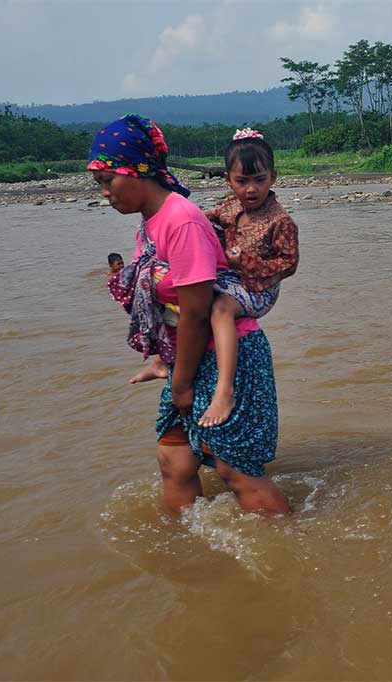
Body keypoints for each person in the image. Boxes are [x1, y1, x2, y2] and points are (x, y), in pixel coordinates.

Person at [92, 114, 289, 515]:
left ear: (136, 171)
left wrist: (181, 385)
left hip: (223, 352)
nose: (105, 193)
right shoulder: (152, 222)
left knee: (234, 469)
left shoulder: (181, 221)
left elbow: (198, 314)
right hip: (188, 355)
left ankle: (290, 557)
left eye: (108, 180)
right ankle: (186, 557)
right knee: (174, 460)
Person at [128, 129, 299, 432]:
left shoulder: (280, 220)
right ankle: (162, 361)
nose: (250, 189)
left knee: (219, 309)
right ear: (228, 180)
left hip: (259, 288)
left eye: (259, 180)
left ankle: (224, 391)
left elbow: (288, 264)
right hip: (233, 278)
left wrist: (244, 261)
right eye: (241, 181)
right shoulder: (231, 207)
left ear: (273, 177)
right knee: (175, 289)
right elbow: (201, 220)